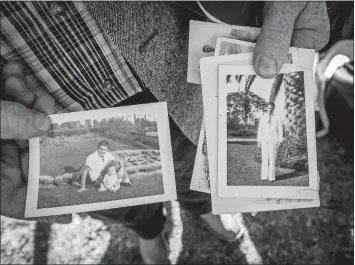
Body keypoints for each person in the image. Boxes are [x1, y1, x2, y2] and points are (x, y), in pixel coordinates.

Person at [0, 2, 330, 264]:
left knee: (196, 161)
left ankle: (203, 208)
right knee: (114, 192)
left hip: (165, 67)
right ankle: (147, 230)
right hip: (47, 108)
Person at [257, 102, 283, 182]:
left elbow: (280, 130)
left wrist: (280, 141)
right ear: (266, 108)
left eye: (271, 108)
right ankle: (264, 177)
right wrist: (259, 141)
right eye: (269, 108)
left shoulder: (277, 118)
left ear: (274, 109)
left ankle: (271, 177)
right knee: (264, 160)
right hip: (264, 141)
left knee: (272, 160)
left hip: (273, 141)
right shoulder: (263, 118)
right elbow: (260, 130)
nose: (270, 110)